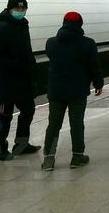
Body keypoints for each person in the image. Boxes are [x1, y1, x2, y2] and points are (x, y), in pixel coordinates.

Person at [41, 12, 104, 171]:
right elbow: (94, 66)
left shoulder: (51, 43)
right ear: (80, 25)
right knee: (76, 124)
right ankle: (77, 157)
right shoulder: (88, 44)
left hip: (56, 91)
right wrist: (98, 83)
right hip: (77, 90)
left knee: (53, 125)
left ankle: (49, 159)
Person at [0, 0, 41, 161]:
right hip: (7, 81)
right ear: (10, 9)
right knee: (3, 114)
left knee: (28, 110)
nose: (20, 11)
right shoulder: (2, 28)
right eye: (17, 8)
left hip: (23, 80)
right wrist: (13, 65)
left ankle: (21, 144)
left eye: (23, 8)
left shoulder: (23, 25)